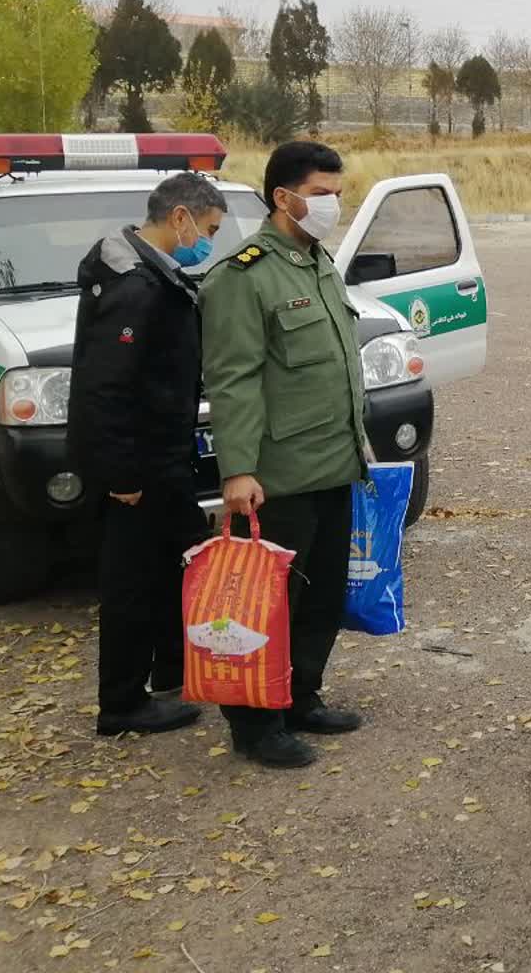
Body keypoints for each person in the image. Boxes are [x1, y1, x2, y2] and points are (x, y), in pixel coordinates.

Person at [198, 141, 368, 769]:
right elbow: (233, 379)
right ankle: (254, 725)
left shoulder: (315, 261)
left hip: (332, 462)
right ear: (284, 197)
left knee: (322, 595)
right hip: (277, 476)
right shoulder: (244, 276)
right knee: (265, 605)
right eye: (322, 193)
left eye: (337, 192)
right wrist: (238, 469)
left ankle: (302, 697)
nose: (333, 204)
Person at [69, 173, 228, 737]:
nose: (209, 240)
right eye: (208, 229)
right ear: (180, 217)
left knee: (175, 563)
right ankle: (121, 703)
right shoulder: (134, 287)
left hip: (163, 458)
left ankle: (170, 669)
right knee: (131, 583)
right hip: (137, 467)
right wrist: (121, 473)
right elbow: (105, 386)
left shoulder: (156, 277)